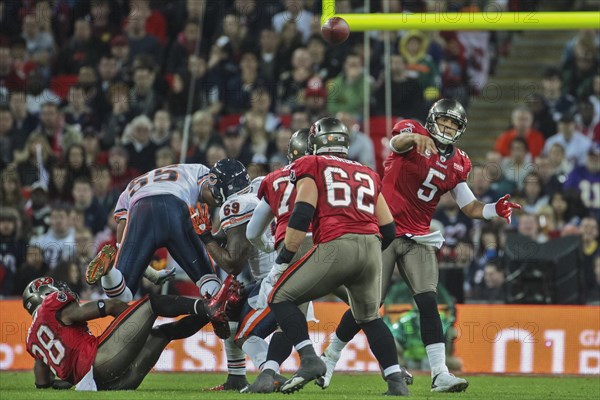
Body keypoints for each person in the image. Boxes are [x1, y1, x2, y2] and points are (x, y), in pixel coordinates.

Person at [319, 99, 521, 393]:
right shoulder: (412, 131)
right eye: (445, 121)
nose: (448, 127)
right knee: (371, 303)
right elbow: (397, 143)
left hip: (419, 236)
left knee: (428, 300)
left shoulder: (459, 161)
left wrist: (493, 210)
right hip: (385, 229)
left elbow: (470, 207)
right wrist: (415, 137)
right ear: (431, 120)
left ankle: (439, 373)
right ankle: (329, 358)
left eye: (454, 124)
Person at [263, 117, 409, 395]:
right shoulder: (368, 172)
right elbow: (389, 228)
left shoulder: (312, 163)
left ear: (314, 142)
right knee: (369, 317)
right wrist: (369, 252)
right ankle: (395, 381)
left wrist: (282, 260)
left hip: (336, 245)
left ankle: (309, 360)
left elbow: (302, 213)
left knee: (280, 297)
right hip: (371, 248)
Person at [23, 276, 232, 391]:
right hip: (102, 361)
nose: (62, 289)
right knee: (152, 304)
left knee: (161, 334)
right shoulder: (52, 304)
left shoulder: (31, 339)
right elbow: (109, 306)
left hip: (103, 385)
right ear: (45, 294)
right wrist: (134, 319)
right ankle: (208, 307)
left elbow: (42, 381)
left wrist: (63, 383)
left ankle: (218, 313)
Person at [84, 164, 220, 302]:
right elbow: (208, 191)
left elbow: (122, 230)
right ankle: (220, 312)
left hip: (141, 212)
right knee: (207, 278)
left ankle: (108, 272)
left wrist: (151, 273)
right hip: (175, 208)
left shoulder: (130, 186)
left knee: (121, 295)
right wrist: (220, 201)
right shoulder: (195, 168)